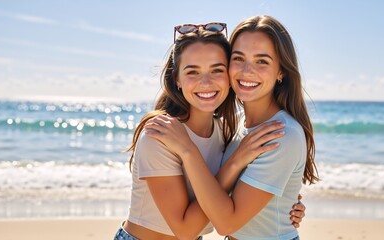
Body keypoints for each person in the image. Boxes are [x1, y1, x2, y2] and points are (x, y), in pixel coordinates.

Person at [114, 22, 305, 240]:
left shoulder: (226, 132)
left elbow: (225, 196)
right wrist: (231, 161)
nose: (206, 82)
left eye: (217, 70)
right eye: (192, 71)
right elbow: (186, 229)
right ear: (177, 78)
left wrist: (284, 201)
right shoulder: (160, 134)